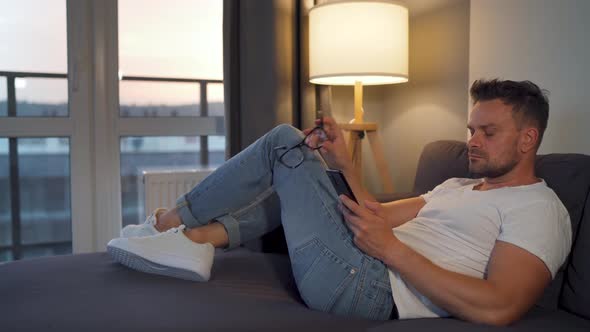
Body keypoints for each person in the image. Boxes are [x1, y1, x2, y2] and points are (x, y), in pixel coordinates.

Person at [108, 79, 571, 326]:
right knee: (308, 166)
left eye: (488, 133)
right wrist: (346, 165)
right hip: (360, 259)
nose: (473, 141)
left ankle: (167, 225)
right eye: (471, 129)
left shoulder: (539, 209)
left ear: (528, 139)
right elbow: (372, 214)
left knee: (283, 142)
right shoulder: (457, 187)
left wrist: (391, 251)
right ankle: (192, 239)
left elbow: (501, 307)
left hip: (371, 288)